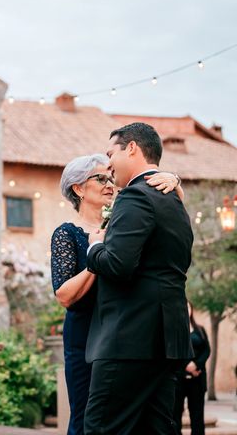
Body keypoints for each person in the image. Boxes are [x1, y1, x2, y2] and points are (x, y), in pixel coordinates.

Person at [50, 153, 182, 435]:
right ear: (79, 188)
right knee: (88, 418)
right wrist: (99, 254)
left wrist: (176, 182)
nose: (110, 183)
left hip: (127, 330)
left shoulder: (124, 223)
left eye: (111, 177)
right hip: (86, 335)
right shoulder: (66, 233)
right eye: (100, 178)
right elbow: (64, 295)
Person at [84, 122, 194, 435]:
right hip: (167, 341)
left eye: (111, 153)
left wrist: (95, 247)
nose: (108, 164)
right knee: (156, 429)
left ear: (131, 148)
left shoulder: (134, 197)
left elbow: (118, 264)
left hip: (130, 341)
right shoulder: (175, 202)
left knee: (101, 428)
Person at [174, 300, 210, 435]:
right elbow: (174, 352)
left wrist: (196, 365)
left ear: (192, 309)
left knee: (197, 416)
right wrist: (186, 366)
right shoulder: (176, 330)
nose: (186, 309)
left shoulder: (200, 330)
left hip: (197, 379)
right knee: (175, 415)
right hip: (180, 380)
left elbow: (207, 350)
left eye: (188, 306)